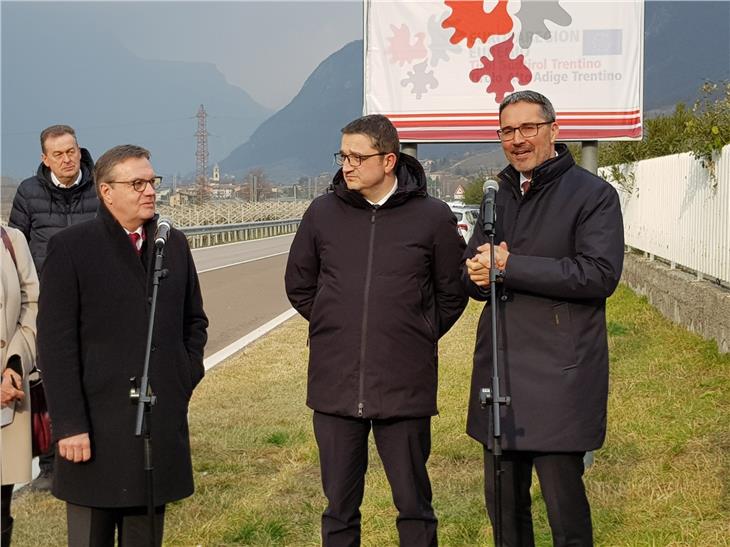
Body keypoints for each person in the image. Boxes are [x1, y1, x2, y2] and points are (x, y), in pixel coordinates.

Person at [285, 114, 468, 546]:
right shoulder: (321, 213)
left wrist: (416, 332)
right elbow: (300, 285)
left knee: (414, 507)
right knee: (339, 510)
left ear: (388, 160)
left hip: (404, 386)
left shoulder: (432, 217)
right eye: (342, 155)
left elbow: (451, 293)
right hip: (335, 385)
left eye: (356, 156)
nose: (346, 165)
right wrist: (337, 324)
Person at [463, 90, 624, 546]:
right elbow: (476, 266)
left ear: (554, 129)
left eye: (527, 128)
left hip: (560, 378)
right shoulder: (496, 195)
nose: (517, 139)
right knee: (505, 513)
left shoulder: (593, 195)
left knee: (564, 513)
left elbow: (598, 274)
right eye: (507, 131)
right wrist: (475, 273)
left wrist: (509, 266)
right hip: (501, 372)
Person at [37, 144, 208, 547]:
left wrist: (183, 376)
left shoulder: (173, 244)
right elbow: (56, 345)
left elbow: (193, 321)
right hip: (93, 431)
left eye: (152, 181)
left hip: (154, 424)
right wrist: (70, 426)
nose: (149, 191)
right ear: (106, 191)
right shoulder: (72, 248)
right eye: (137, 183)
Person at [9, 124, 99, 491]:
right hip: (47, 304)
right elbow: (15, 249)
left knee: (94, 375)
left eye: (72, 151)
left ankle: (97, 452)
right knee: (46, 384)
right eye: (58, 154)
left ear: (80, 151)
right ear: (45, 158)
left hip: (94, 300)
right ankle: (48, 467)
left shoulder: (99, 186)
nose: (67, 159)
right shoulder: (28, 193)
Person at [1, 226, 39, 546]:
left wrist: (15, 363)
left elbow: (32, 304)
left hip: (7, 397)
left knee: (1, 503)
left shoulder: (11, 241)